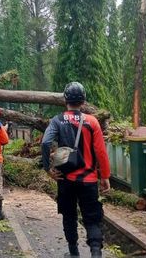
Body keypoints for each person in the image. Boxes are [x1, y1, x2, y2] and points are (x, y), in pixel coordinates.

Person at [41, 82, 111, 258]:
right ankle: (96, 253)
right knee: (92, 217)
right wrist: (105, 176)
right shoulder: (92, 121)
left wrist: (47, 168)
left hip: (66, 180)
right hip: (88, 180)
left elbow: (45, 142)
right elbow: (101, 152)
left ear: (65, 99)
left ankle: (73, 252)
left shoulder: (57, 120)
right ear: (83, 100)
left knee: (69, 215)